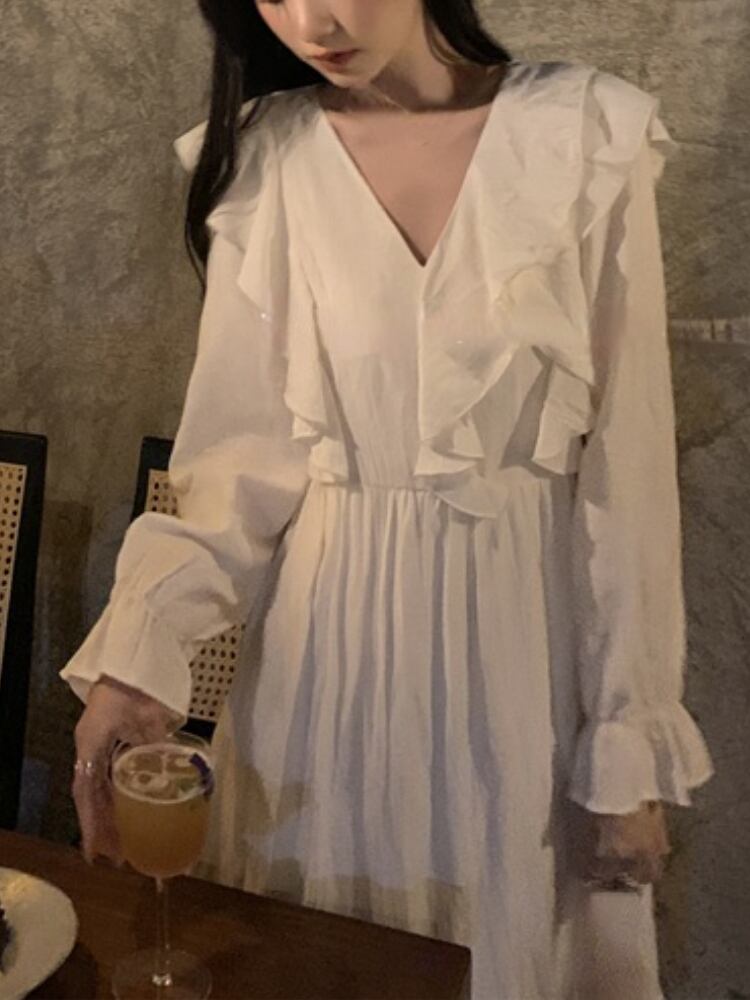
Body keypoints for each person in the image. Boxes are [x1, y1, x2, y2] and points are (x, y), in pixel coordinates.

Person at [61, 1, 714, 996]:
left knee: (503, 946)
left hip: (518, 669)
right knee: (314, 956)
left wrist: (627, 736)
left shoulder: (582, 135)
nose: (312, 18)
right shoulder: (270, 159)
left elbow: (629, 476)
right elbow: (233, 469)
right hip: (318, 672)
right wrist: (134, 666)